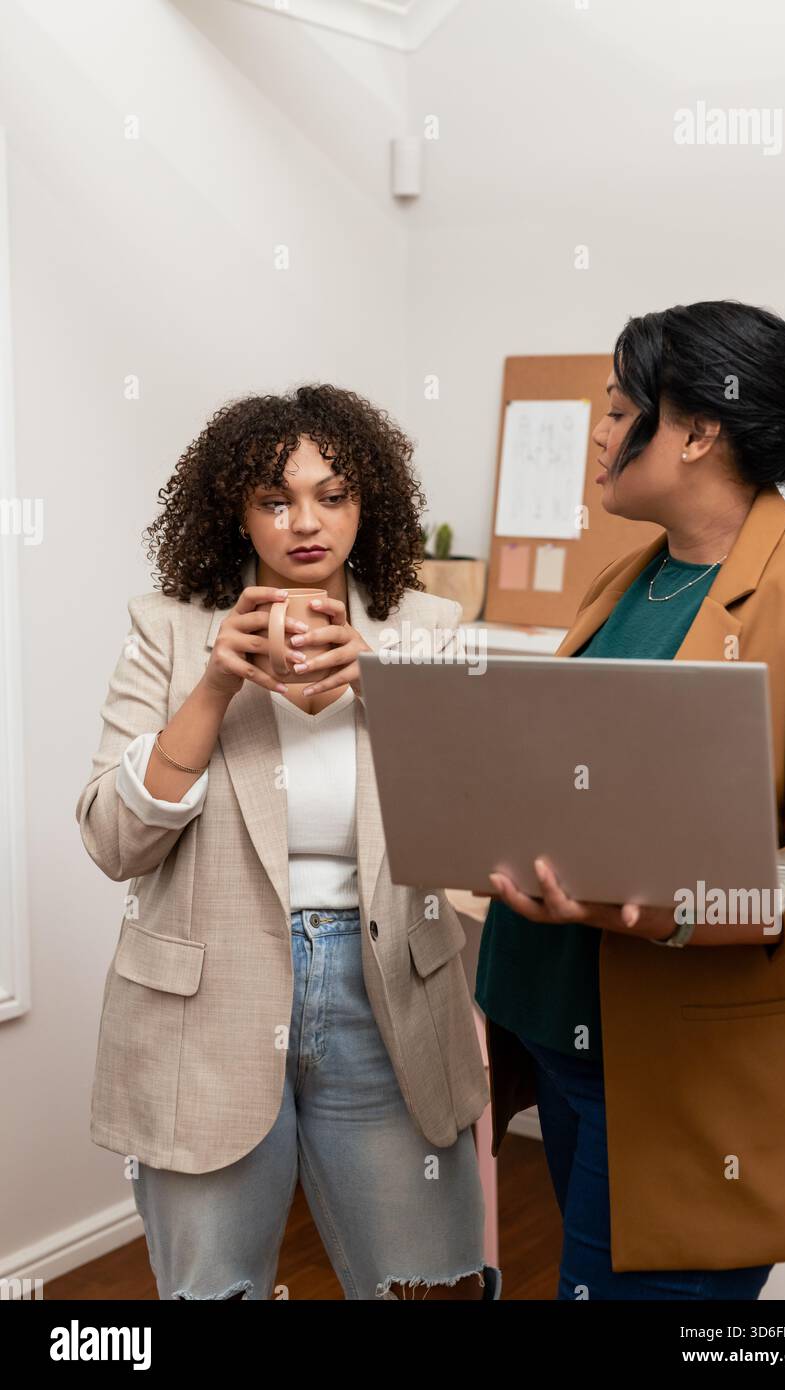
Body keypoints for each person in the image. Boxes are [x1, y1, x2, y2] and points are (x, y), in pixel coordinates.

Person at [475, 301, 785, 1300]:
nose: (599, 435)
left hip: (682, 1071)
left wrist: (683, 910)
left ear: (696, 431)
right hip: (557, 1035)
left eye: (618, 411)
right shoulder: (626, 579)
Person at [77, 383, 501, 1301]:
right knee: (215, 1288)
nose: (306, 523)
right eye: (275, 499)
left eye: (332, 496)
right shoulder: (168, 628)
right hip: (205, 1004)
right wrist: (213, 687)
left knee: (431, 1283)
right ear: (234, 511)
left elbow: (479, 832)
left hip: (388, 995)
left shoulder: (425, 630)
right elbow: (114, 842)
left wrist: (387, 688)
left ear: (366, 503)